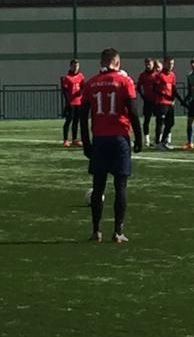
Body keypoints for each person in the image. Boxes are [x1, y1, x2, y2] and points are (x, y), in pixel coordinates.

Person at [80, 47, 143, 244]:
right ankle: (117, 231)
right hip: (119, 139)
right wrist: (139, 138)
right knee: (120, 186)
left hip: (99, 139)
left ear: (101, 62)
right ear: (117, 62)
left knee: (98, 186)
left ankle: (96, 231)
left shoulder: (91, 83)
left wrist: (86, 143)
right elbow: (133, 112)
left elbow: (82, 116)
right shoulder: (125, 81)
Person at [153, 56, 180, 150]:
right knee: (160, 122)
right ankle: (157, 142)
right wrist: (165, 95)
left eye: (172, 64)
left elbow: (174, 89)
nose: (171, 65)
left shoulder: (172, 75)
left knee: (171, 123)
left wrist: (179, 99)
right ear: (164, 63)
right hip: (161, 102)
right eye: (169, 63)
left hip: (170, 103)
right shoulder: (159, 75)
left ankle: (163, 141)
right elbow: (155, 88)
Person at [61, 59, 85, 147]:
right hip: (71, 103)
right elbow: (64, 90)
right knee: (68, 121)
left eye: (77, 66)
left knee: (76, 121)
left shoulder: (81, 76)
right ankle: (65, 140)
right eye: (74, 66)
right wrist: (68, 102)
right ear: (70, 66)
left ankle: (74, 139)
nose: (76, 68)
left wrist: (81, 92)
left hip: (79, 102)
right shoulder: (67, 78)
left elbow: (83, 86)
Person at [136, 57, 158, 148]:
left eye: (150, 63)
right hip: (148, 101)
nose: (148, 65)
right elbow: (138, 87)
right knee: (147, 120)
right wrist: (143, 96)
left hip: (157, 101)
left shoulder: (157, 74)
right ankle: (147, 140)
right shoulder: (143, 75)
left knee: (159, 120)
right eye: (147, 63)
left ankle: (158, 140)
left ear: (153, 64)